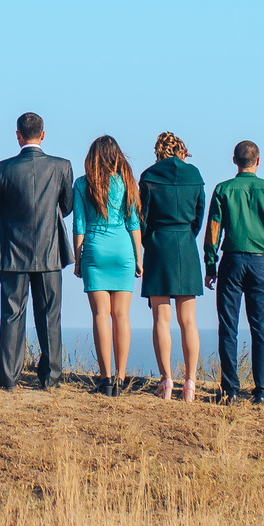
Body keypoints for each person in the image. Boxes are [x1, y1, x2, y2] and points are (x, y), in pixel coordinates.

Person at [0, 112, 75, 390]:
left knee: (12, 314)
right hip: (50, 253)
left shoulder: (2, 169)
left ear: (17, 135)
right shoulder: (62, 166)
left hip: (12, 251)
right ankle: (50, 378)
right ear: (43, 134)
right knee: (50, 315)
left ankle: (8, 379)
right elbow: (67, 206)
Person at [205, 141, 264, 405]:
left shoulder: (223, 189)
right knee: (261, 328)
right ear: (258, 160)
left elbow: (213, 232)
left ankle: (230, 389)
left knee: (228, 327)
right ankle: (262, 390)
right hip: (261, 263)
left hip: (232, 262)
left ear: (234, 160)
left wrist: (210, 264)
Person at [139, 131, 208, 402]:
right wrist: (187, 236)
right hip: (185, 245)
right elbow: (198, 217)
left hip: (158, 244)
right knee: (188, 320)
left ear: (158, 152)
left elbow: (141, 216)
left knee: (161, 319)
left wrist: (149, 241)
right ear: (182, 151)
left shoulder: (149, 176)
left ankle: (166, 380)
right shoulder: (194, 175)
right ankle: (190, 383)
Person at [72, 134, 144, 396]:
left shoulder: (82, 184)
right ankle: (122, 378)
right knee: (122, 315)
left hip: (95, 247)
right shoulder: (127, 182)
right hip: (123, 247)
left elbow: (79, 225)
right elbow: (134, 222)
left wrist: (77, 258)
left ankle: (105, 379)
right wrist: (139, 257)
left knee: (101, 315)